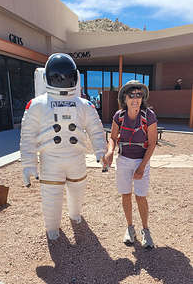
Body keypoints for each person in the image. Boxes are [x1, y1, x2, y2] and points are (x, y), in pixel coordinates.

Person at [20, 53, 107, 240]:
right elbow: (27, 137)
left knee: (78, 190)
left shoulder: (83, 105)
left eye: (67, 76)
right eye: (58, 77)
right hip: (50, 160)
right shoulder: (37, 105)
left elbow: (96, 130)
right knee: (52, 194)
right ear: (48, 78)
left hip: (76, 159)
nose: (62, 80)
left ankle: (75, 215)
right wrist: (28, 164)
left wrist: (101, 151)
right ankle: (52, 226)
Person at [104, 80, 157, 248]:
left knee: (141, 196)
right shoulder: (119, 116)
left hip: (142, 160)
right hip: (124, 160)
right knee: (125, 194)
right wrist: (110, 151)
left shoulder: (149, 116)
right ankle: (130, 228)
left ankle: (146, 230)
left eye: (139, 95)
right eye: (131, 95)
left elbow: (153, 143)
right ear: (124, 98)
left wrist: (141, 167)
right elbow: (112, 138)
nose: (135, 99)